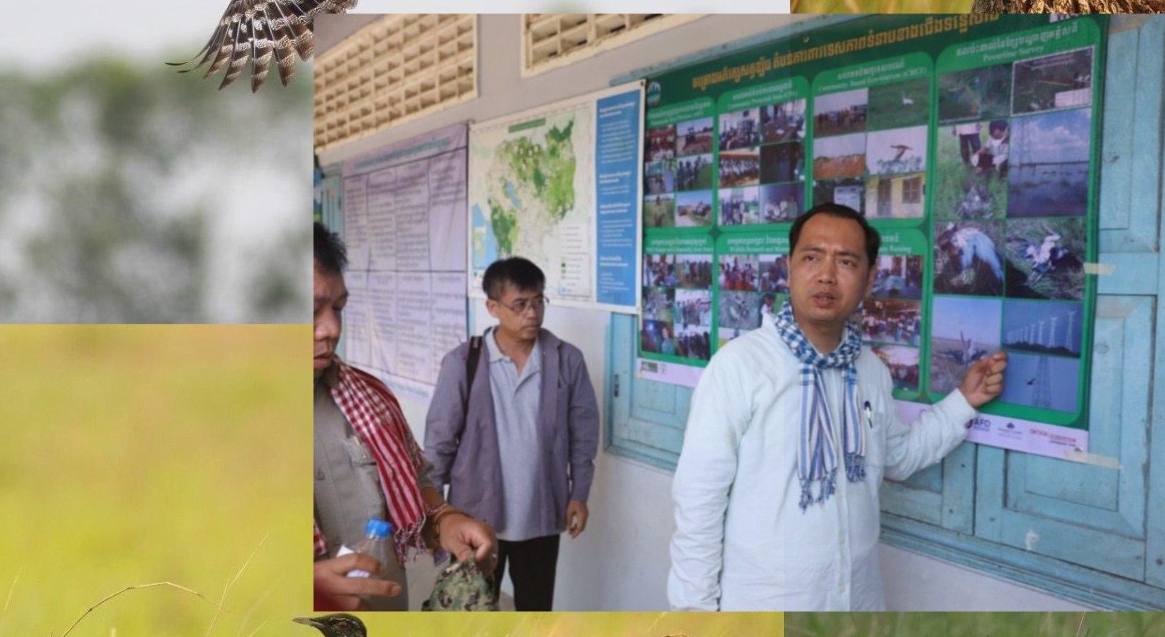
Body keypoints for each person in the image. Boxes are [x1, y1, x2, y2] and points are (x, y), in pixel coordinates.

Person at [667, 203, 1008, 610]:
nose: (826, 274)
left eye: (846, 261)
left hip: (857, 602)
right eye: (812, 257)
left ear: (868, 279)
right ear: (789, 267)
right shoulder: (740, 367)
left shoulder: (869, 371)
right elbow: (698, 504)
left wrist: (963, 401)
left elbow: (896, 457)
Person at [313, 222, 495, 609]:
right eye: (310, 311)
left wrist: (444, 520)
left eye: (338, 308)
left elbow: (414, 480)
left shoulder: (369, 398)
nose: (330, 328)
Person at [422, 256, 599, 612]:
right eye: (520, 304)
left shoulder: (566, 360)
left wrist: (579, 493)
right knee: (468, 614)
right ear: (493, 307)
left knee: (535, 612)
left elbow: (584, 432)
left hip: (542, 514)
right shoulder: (463, 363)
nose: (531, 313)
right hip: (474, 516)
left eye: (538, 301)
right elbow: (440, 442)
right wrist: (433, 513)